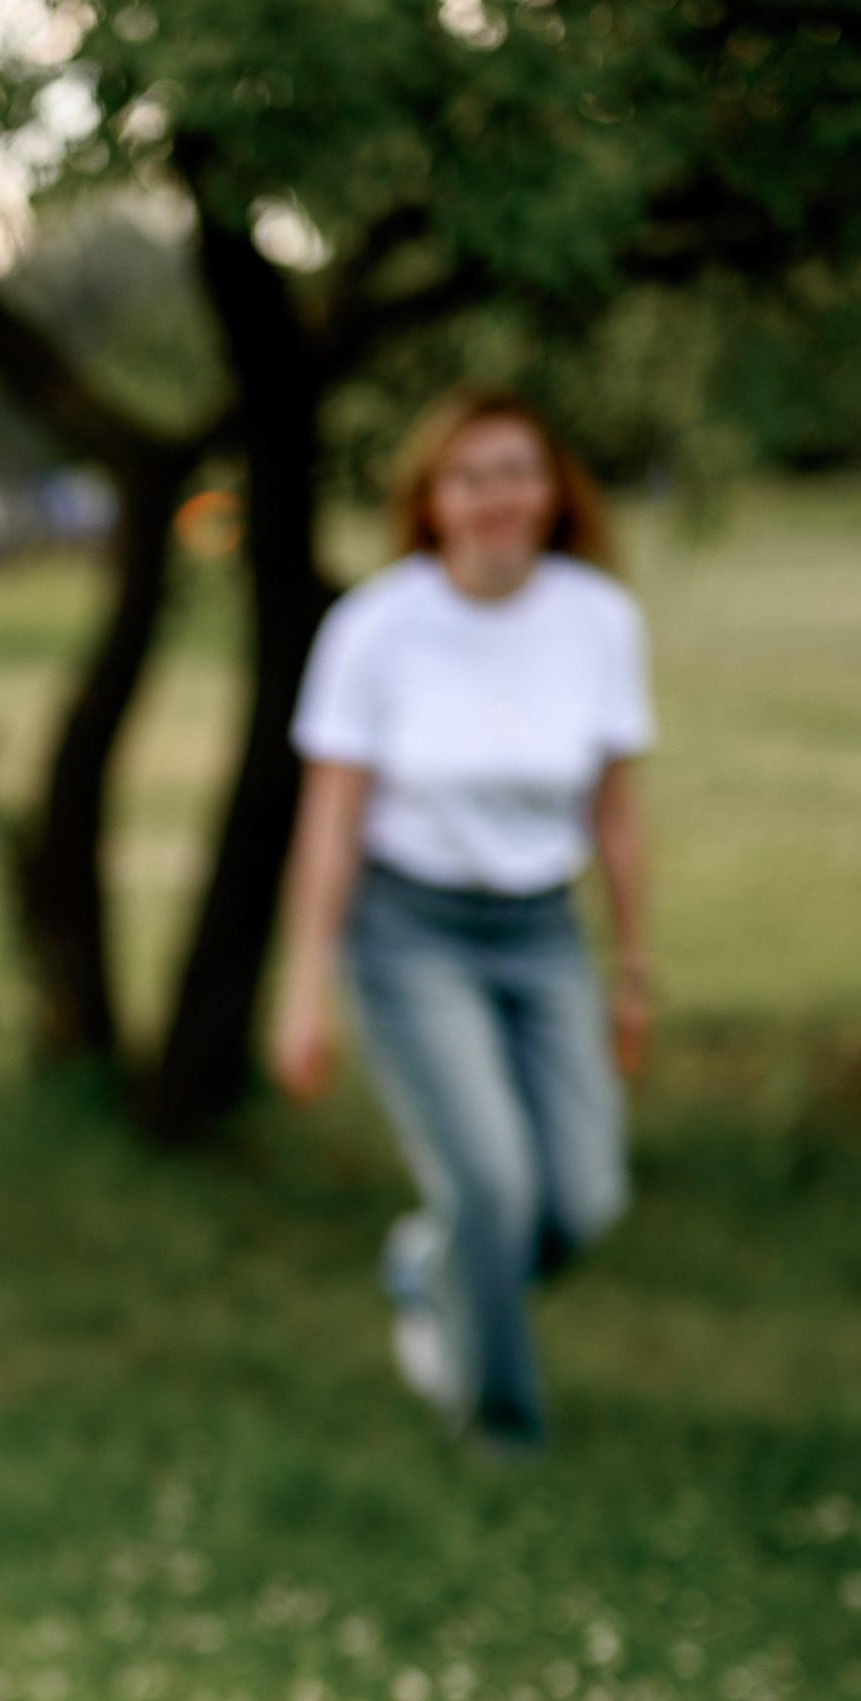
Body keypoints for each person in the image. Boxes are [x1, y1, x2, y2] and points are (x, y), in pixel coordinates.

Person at [271, 388, 654, 1450]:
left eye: (516, 472)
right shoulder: (376, 627)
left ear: (552, 490)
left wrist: (634, 969)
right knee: (490, 1182)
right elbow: (331, 819)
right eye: (468, 475)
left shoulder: (598, 618)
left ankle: (423, 1266)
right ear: (431, 500)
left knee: (580, 1200)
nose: (497, 497)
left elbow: (616, 811)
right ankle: (501, 1430)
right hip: (412, 932)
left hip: (541, 928)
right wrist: (305, 991)